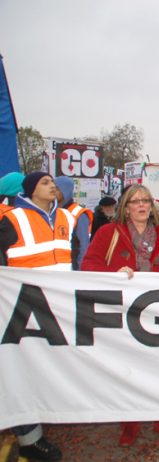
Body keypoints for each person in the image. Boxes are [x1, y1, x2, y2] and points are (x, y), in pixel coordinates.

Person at [81, 184, 159, 446]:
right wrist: (113, 274)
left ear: (151, 206)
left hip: (158, 312)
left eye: (146, 201)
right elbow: (88, 265)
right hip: (122, 312)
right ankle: (130, 421)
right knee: (128, 369)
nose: (141, 205)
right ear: (126, 208)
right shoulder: (109, 233)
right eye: (135, 201)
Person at [0, 171, 66, 461]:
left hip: (59, 308)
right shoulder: (12, 220)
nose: (52, 185)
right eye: (44, 182)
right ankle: (30, 439)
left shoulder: (65, 218)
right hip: (20, 309)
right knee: (20, 369)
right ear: (29, 190)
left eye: (52, 181)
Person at [54, 176, 92, 269]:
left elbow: (83, 246)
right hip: (58, 266)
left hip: (73, 267)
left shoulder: (78, 213)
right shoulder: (54, 211)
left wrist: (81, 270)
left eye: (57, 189)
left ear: (65, 191)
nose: (54, 192)